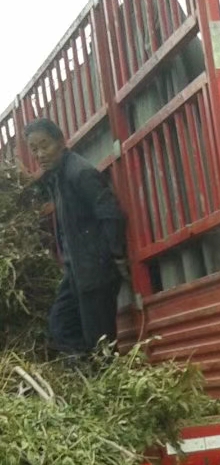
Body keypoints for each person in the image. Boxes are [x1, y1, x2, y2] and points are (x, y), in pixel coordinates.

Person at [24, 117, 128, 362]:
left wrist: (115, 256)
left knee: (100, 343)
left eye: (44, 145)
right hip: (76, 273)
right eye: (34, 149)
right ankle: (88, 377)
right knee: (60, 325)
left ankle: (107, 386)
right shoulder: (58, 178)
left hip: (95, 273)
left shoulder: (79, 173)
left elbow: (110, 212)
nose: (39, 154)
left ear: (61, 142)